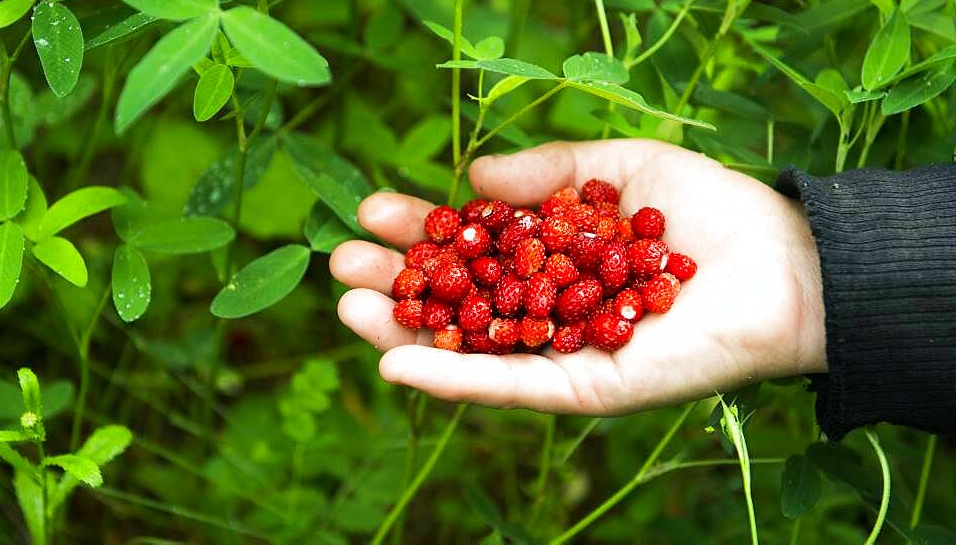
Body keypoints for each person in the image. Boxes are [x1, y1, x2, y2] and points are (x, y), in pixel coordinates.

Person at [329, 140, 956, 440]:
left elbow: (605, 267)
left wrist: (805, 271)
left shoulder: (614, 254)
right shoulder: (521, 264)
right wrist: (810, 270)